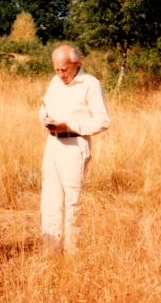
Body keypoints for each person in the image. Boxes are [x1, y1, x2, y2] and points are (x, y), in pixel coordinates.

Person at [39, 45, 110, 254]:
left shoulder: (91, 84)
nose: (60, 75)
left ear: (77, 64)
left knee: (72, 201)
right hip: (53, 144)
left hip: (75, 145)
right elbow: (44, 106)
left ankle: (72, 253)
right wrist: (44, 119)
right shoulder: (55, 82)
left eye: (64, 70)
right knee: (50, 199)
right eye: (57, 70)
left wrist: (69, 126)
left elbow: (103, 121)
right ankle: (50, 251)